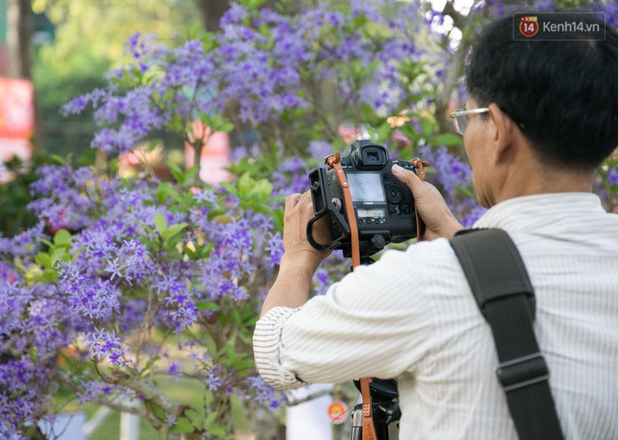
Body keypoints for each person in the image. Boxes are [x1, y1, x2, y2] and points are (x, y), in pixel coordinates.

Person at [252, 14, 618, 439]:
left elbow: (276, 353)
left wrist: (298, 258)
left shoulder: (429, 282)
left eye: (468, 116)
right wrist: (456, 234)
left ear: (497, 130)